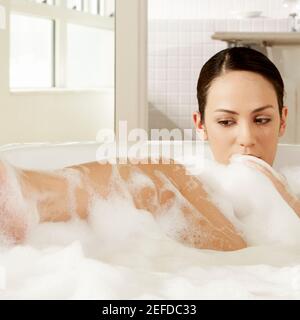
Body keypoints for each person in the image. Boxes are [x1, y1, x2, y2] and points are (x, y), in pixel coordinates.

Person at [0, 47, 299, 251]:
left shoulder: (284, 195)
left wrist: (280, 194)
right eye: (226, 121)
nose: (246, 138)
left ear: (282, 120)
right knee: (159, 175)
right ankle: (26, 196)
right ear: (201, 124)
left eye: (262, 119)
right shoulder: (196, 183)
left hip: (255, 263)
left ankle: (29, 196)